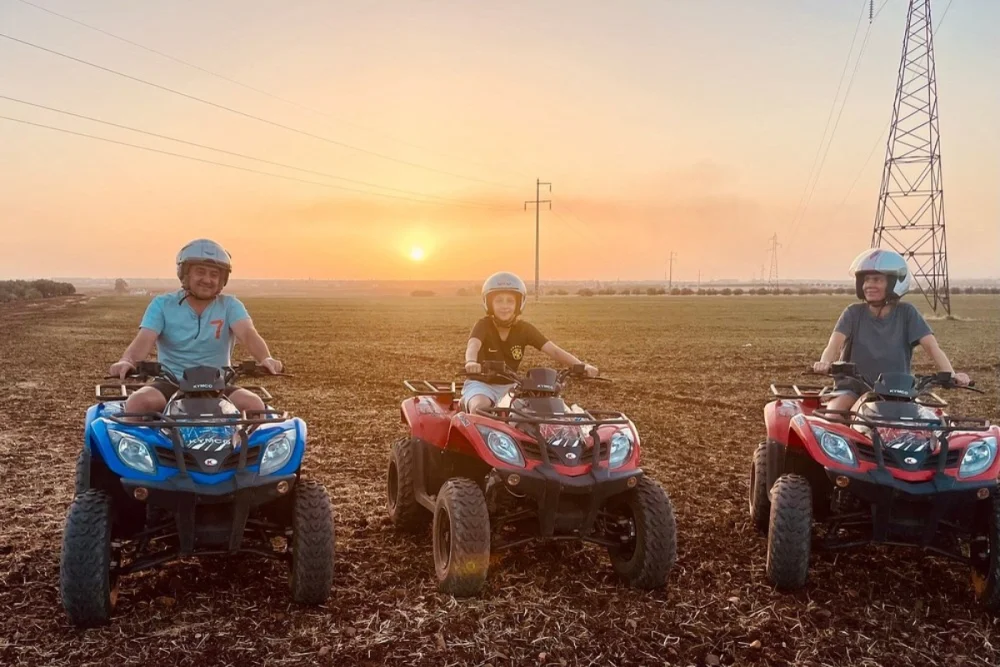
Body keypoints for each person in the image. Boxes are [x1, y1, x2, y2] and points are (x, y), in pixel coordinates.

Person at [108, 239, 283, 415]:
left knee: (253, 405)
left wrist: (265, 358)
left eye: (214, 274)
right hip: (171, 382)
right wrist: (127, 361)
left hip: (218, 384)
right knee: (138, 403)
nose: (207, 279)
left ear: (222, 279)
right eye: (200, 272)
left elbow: (248, 333)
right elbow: (144, 338)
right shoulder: (162, 304)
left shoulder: (230, 305)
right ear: (185, 274)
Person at [812, 248, 969, 411]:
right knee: (833, 414)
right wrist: (824, 362)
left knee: (924, 422)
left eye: (877, 280)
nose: (869, 285)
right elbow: (833, 344)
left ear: (895, 283)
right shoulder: (853, 313)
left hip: (896, 392)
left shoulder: (907, 313)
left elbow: (932, 347)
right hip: (852, 389)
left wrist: (952, 375)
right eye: (866, 280)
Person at [462, 271, 597, 413]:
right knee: (480, 408)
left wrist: (581, 365)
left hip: (511, 387)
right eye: (499, 300)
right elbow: (473, 345)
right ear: (489, 304)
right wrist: (471, 362)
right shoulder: (483, 325)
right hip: (481, 385)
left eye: (510, 301)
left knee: (533, 412)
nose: (504, 306)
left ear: (519, 304)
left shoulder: (524, 329)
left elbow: (554, 350)